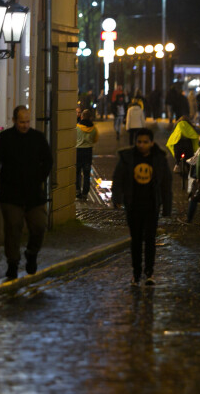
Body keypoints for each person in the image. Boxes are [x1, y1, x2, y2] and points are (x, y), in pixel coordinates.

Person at [0, 106, 53, 280]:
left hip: (34, 194)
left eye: (27, 121)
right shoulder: (5, 139)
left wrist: (39, 178)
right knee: (13, 228)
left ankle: (31, 253)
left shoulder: (37, 138)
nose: (25, 125)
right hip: (11, 194)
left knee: (39, 226)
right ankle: (12, 263)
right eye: (21, 122)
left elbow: (48, 161)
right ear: (14, 121)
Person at [112, 128, 172, 286]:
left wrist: (166, 206)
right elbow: (118, 178)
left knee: (150, 239)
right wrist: (117, 198)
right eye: (139, 142)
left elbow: (166, 183)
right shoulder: (127, 158)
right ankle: (136, 273)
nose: (142, 145)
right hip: (133, 205)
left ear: (152, 143)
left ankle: (149, 272)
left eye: (145, 142)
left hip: (152, 205)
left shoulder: (159, 158)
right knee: (136, 240)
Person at [76, 109, 99, 200]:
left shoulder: (77, 127)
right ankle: (85, 193)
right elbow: (95, 140)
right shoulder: (94, 128)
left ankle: (77, 191)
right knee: (86, 173)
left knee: (77, 172)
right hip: (88, 152)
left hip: (78, 151)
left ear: (81, 117)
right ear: (90, 117)